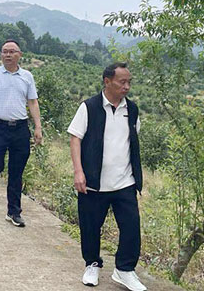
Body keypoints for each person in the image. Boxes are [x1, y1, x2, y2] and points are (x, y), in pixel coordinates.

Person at [67, 62, 146, 291]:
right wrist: (79, 171)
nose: (127, 86)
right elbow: (75, 138)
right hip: (94, 182)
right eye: (122, 82)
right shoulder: (89, 107)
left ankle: (125, 270)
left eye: (129, 82)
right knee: (91, 227)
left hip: (125, 182)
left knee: (131, 227)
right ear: (107, 81)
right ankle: (92, 264)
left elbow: (132, 140)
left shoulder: (132, 110)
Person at [0, 40, 42, 227]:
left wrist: (38, 127)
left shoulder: (27, 76)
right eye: (4, 51)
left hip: (20, 128)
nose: (8, 55)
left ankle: (14, 211)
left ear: (19, 55)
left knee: (16, 171)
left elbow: (33, 102)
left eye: (12, 51)